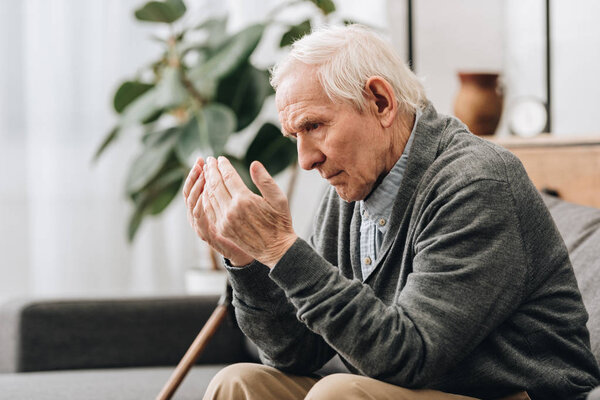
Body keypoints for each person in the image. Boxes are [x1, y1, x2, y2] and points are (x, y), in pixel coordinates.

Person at [182, 24, 600, 400]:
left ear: (381, 102)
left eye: (313, 126)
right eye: (294, 135)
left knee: (338, 396)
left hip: (515, 394)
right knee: (238, 382)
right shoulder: (350, 187)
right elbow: (294, 353)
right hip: (417, 386)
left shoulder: (477, 183)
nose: (306, 159)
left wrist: (281, 249)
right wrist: (245, 257)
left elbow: (410, 357)